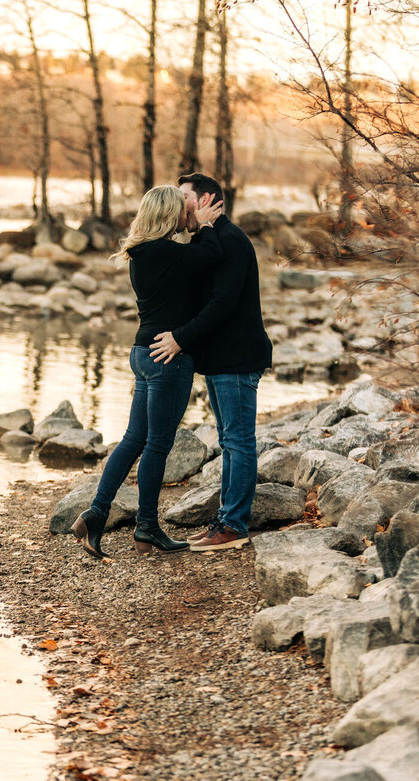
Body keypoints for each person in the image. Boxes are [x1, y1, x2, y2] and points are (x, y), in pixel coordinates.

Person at [73, 184, 225, 559]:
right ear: (168, 214)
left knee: (134, 439)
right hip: (166, 356)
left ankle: (96, 514)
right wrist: (205, 226)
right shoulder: (166, 253)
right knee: (157, 443)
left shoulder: (141, 252)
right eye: (180, 210)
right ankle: (147, 527)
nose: (184, 216)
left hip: (143, 352)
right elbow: (211, 255)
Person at [149, 173, 273, 552]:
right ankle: (225, 520)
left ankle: (234, 525)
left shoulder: (232, 240)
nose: (178, 203)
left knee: (238, 441)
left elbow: (222, 305)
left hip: (237, 358)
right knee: (229, 440)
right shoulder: (210, 240)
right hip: (221, 360)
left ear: (205, 200)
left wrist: (179, 339)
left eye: (184, 197)